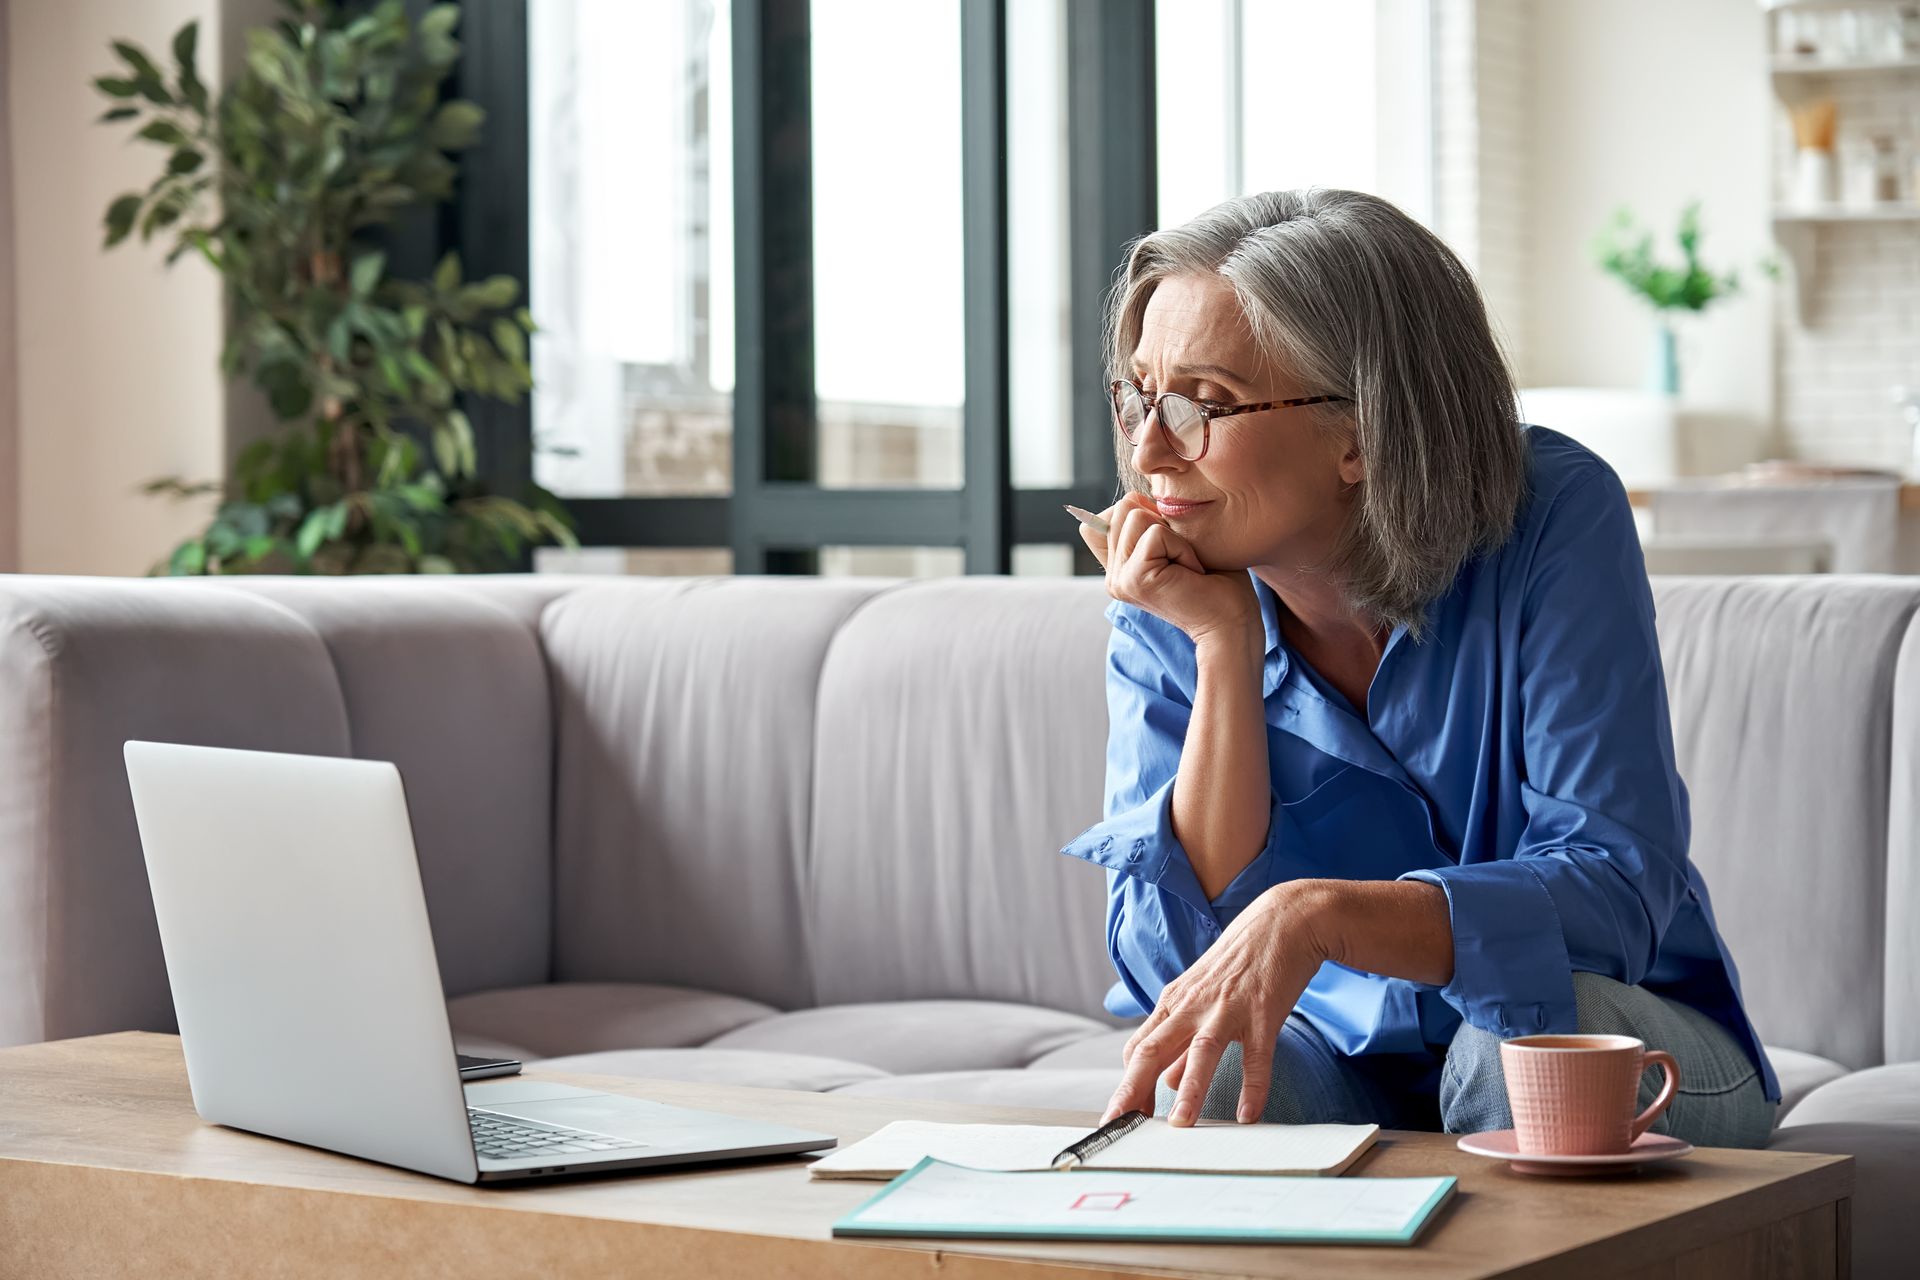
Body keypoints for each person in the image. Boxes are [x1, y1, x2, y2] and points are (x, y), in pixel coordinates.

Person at [1060, 188, 1778, 1147]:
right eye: (1138, 397)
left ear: (1362, 432)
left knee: (1513, 1048)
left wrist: (1322, 917)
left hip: (1621, 1036)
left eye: (1203, 404)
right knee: (1216, 1069)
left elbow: (1614, 892)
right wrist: (1223, 650)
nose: (1149, 451)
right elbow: (1175, 968)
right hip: (1341, 1057)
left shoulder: (1555, 516)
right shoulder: (1174, 583)